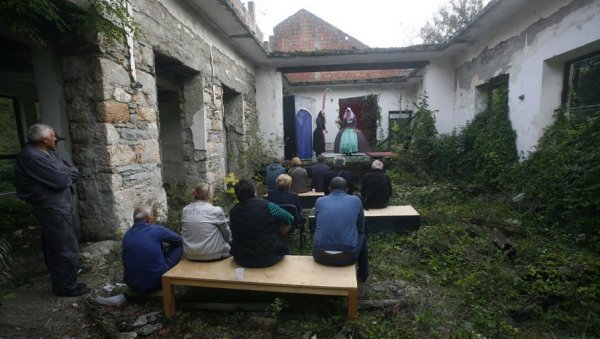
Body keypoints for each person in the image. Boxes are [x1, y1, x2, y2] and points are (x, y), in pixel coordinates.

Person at [14, 124, 90, 297]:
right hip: (51, 207)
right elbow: (61, 181)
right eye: (53, 136)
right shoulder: (31, 157)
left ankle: (68, 272)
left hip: (59, 204)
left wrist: (65, 173)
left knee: (58, 242)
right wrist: (64, 174)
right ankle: (66, 286)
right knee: (64, 245)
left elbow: (72, 170)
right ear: (45, 140)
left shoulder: (49, 152)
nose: (56, 139)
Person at [312, 177, 369, 282]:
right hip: (347, 258)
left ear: (329, 189)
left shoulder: (319, 201)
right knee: (362, 236)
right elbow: (361, 228)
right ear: (347, 189)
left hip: (319, 256)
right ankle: (363, 274)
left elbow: (317, 223)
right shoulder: (356, 200)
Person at [229, 179, 294, 268]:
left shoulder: (233, 212)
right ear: (254, 192)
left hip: (242, 259)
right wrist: (280, 233)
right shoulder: (268, 206)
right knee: (286, 249)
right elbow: (289, 218)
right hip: (270, 257)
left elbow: (232, 231)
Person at [122, 206, 183, 292]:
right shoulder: (156, 229)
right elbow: (178, 240)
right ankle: (166, 274)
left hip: (132, 284)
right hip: (155, 283)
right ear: (149, 219)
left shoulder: (127, 235)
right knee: (179, 246)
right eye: (152, 215)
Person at [181, 183, 232, 261]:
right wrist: (228, 241)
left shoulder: (185, 210)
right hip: (214, 254)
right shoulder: (216, 210)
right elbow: (226, 234)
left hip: (189, 254)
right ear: (209, 195)